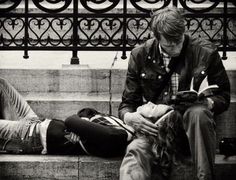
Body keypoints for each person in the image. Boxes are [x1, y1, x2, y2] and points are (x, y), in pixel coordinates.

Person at [118, 6, 230, 180]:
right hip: (157, 129)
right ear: (157, 37)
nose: (176, 48)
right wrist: (129, 117)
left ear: (184, 30)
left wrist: (209, 103)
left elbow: (224, 96)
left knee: (199, 113)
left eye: (178, 41)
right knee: (134, 152)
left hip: (191, 130)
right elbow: (127, 103)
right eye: (170, 44)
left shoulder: (206, 52)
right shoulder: (140, 55)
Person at [0, 77, 132, 157]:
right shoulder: (120, 125)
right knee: (1, 83)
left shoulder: (117, 137)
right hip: (36, 121)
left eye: (153, 107)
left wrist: (80, 123)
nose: (149, 103)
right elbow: (87, 111)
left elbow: (71, 121)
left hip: (30, 136)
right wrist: (84, 122)